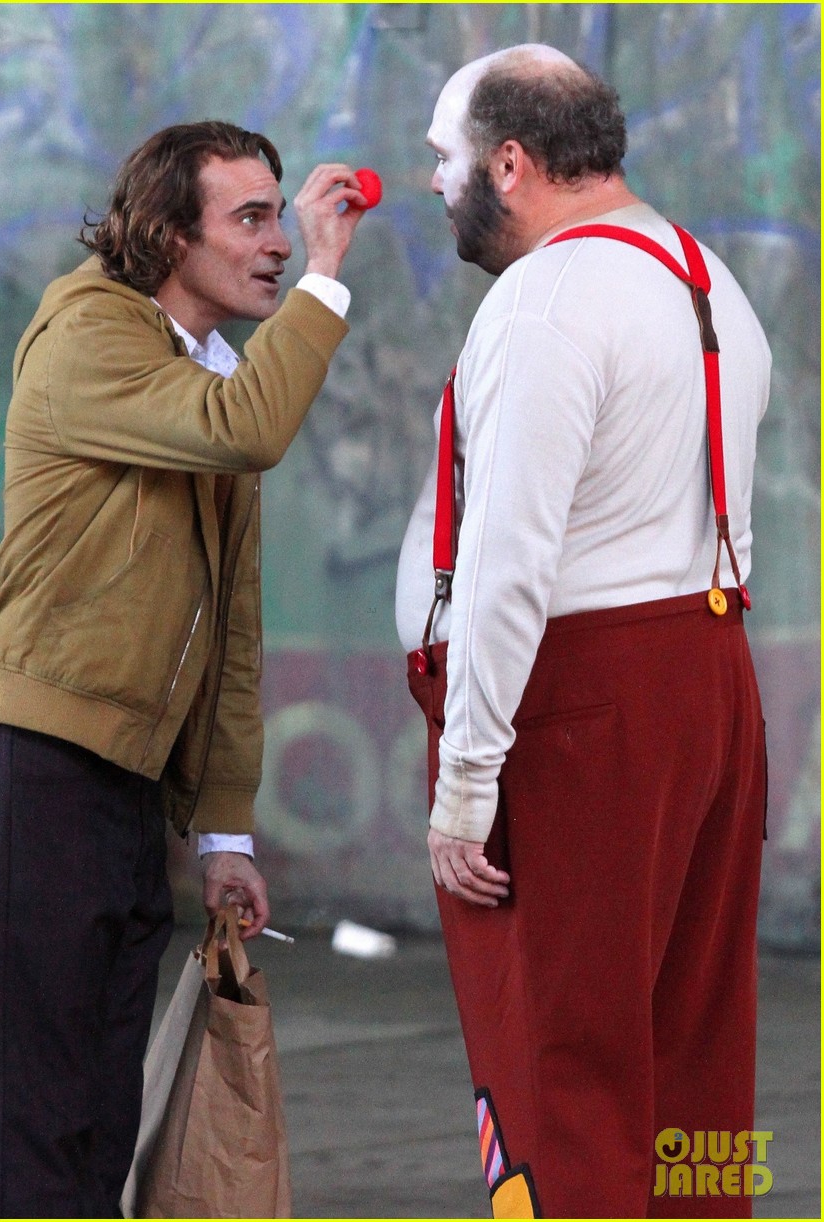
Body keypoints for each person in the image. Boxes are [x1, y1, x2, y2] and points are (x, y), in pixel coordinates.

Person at [0, 119, 372, 1218]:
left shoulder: (215, 370)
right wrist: (330, 278)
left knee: (100, 1122)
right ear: (163, 234)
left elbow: (230, 631)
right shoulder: (88, 331)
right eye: (249, 217)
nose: (278, 239)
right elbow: (247, 429)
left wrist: (225, 829)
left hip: (127, 785)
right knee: (41, 1125)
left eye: (282, 215)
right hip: (42, 762)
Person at [396, 46, 770, 1220]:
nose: (430, 182)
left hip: (584, 709)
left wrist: (464, 784)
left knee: (561, 1060)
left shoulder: (547, 298)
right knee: (694, 1051)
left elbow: (511, 558)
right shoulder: (706, 276)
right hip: (707, 680)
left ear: (509, 164)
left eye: (441, 158)